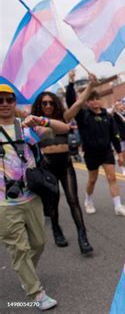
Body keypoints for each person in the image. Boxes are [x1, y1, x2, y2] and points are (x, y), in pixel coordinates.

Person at [0, 82, 70, 310]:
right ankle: (35, 291)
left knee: (38, 243)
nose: (4, 104)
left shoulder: (25, 127)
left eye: (9, 99)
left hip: (32, 197)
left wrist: (40, 120)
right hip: (5, 204)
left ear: (14, 102)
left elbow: (64, 129)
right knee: (19, 248)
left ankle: (26, 273)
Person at [31, 92, 93, 255]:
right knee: (53, 203)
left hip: (66, 166)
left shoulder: (63, 118)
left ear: (56, 104)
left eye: (51, 103)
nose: (48, 106)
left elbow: (78, 103)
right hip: (47, 167)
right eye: (44, 103)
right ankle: (57, 231)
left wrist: (91, 85)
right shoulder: (33, 120)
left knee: (73, 200)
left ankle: (83, 237)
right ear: (39, 105)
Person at [65, 72, 125, 216]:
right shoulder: (83, 116)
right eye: (91, 100)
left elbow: (115, 136)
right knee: (92, 179)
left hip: (106, 151)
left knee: (112, 177)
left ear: (100, 100)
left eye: (97, 99)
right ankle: (88, 200)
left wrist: (119, 154)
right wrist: (71, 83)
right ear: (87, 102)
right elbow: (72, 103)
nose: (95, 102)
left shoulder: (107, 116)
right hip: (91, 153)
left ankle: (118, 206)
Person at [111, 100, 125, 175]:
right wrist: (114, 107)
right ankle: (123, 167)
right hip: (121, 137)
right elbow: (111, 113)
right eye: (119, 104)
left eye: (121, 104)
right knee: (123, 154)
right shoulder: (116, 114)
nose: (121, 105)